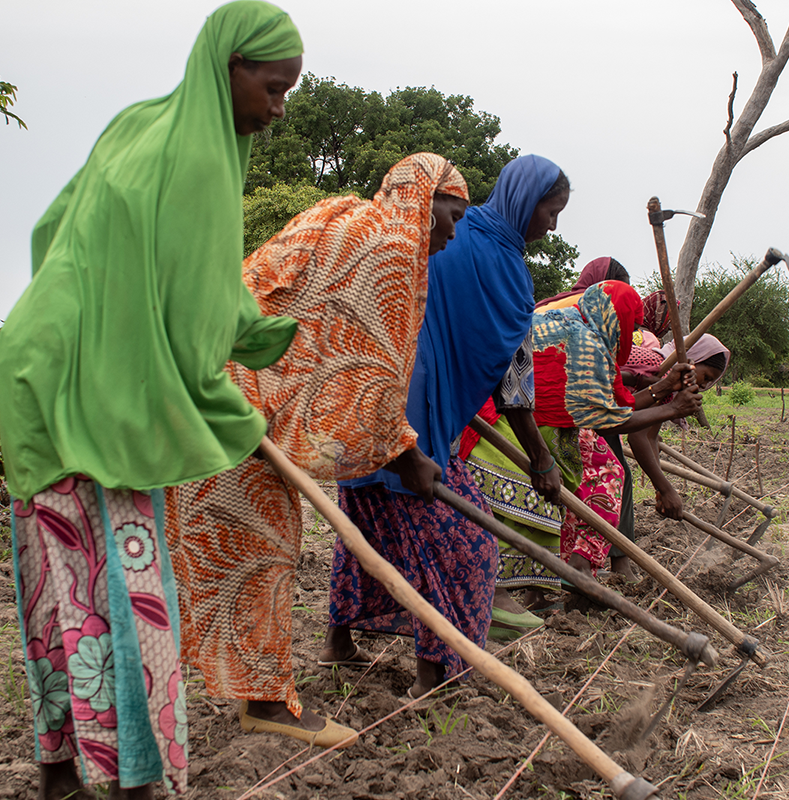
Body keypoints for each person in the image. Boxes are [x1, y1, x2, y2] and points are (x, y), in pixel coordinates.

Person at [0, 4, 303, 797]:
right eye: (271, 89)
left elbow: (52, 230)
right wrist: (238, 414)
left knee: (60, 579)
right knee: (133, 592)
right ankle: (139, 780)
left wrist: (253, 330)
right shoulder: (199, 162)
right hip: (101, 390)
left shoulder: (143, 124)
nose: (277, 110)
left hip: (36, 365)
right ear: (228, 66)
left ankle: (61, 771)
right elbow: (194, 326)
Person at [164, 153, 469, 747]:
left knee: (241, 548)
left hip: (216, 388)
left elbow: (320, 346)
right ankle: (266, 704)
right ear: (419, 198)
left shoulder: (346, 216)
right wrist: (406, 456)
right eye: (449, 214)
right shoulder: (386, 247)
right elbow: (367, 376)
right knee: (258, 549)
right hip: (237, 409)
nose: (452, 232)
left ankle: (243, 691)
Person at [323, 155, 569, 699]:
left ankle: (338, 642)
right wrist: (542, 460)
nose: (552, 226)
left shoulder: (449, 229)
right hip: (410, 416)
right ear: (526, 200)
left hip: (374, 403)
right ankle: (434, 675)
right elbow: (513, 379)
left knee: (368, 523)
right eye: (550, 212)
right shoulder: (489, 258)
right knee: (468, 548)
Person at [460, 282, 701, 611]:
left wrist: (664, 387)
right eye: (629, 324)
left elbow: (616, 406)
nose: (629, 334)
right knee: (602, 474)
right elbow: (610, 421)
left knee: (571, 487)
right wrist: (673, 408)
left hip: (522, 416)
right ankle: (568, 571)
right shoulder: (585, 344)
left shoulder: (578, 325)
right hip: (509, 419)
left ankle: (548, 584)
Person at [623, 334, 732, 521]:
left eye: (710, 382)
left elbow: (650, 437)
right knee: (617, 476)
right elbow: (636, 436)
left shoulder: (670, 380)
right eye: (705, 376)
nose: (704, 385)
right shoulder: (664, 372)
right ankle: (615, 547)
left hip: (599, 415)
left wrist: (660, 488)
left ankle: (617, 545)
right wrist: (666, 489)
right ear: (693, 361)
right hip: (581, 407)